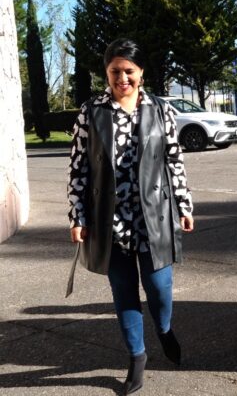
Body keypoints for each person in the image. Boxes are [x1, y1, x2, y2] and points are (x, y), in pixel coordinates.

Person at [67, 38, 194, 395]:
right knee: (123, 291)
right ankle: (136, 358)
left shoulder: (161, 109)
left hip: (155, 215)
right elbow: (78, 168)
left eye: (128, 71)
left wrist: (184, 205)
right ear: (106, 74)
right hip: (111, 219)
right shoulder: (91, 111)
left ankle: (165, 328)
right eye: (114, 72)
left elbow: (173, 161)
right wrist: (77, 215)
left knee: (159, 289)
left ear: (140, 73)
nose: (122, 78)